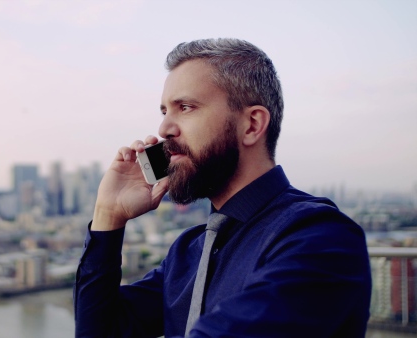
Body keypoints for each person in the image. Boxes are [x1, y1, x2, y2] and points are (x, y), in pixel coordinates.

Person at [74, 38, 372, 337]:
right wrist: (108, 215)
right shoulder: (189, 250)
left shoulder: (320, 238)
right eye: (165, 111)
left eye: (186, 107)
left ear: (252, 125)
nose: (164, 129)